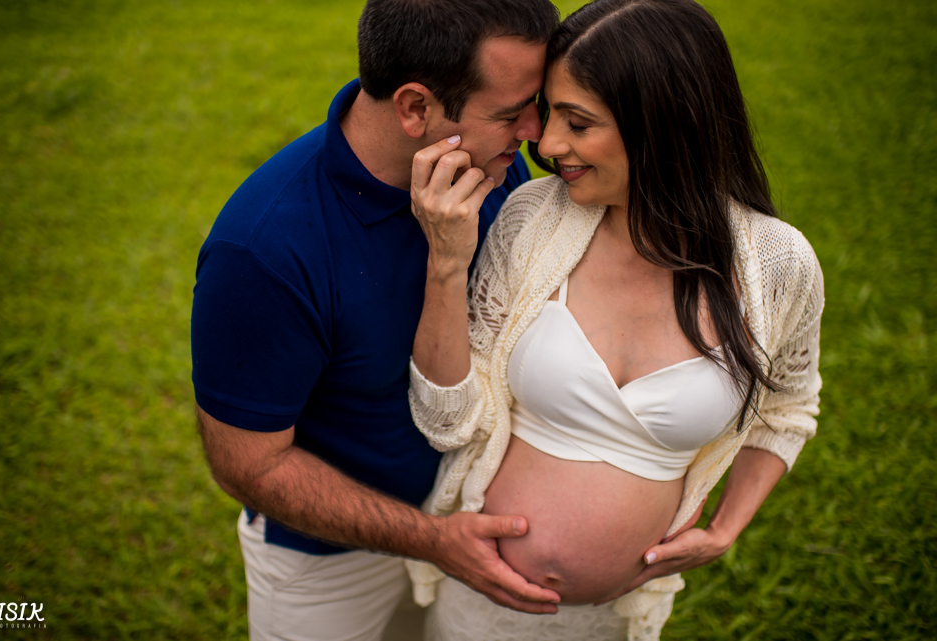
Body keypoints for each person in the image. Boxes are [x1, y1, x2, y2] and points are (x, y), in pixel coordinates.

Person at [406, 0, 824, 639]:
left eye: (578, 122)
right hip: (477, 604)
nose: (546, 145)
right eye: (550, 115)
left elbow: (788, 406)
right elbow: (446, 421)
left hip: (615, 621)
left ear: (661, 125)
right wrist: (445, 262)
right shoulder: (531, 219)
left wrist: (725, 528)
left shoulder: (777, 265)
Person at [190, 1, 565, 639]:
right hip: (330, 560)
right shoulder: (263, 251)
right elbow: (248, 465)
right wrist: (432, 540)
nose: (537, 133)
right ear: (415, 108)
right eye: (509, 114)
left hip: (476, 517)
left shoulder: (492, 169)